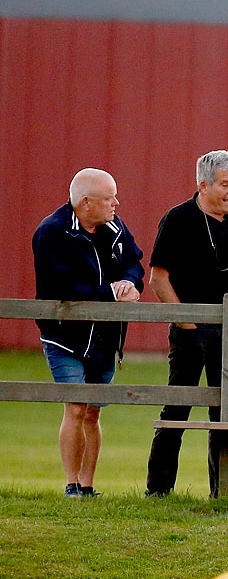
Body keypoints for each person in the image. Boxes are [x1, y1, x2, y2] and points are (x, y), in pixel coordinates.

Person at [145, 150, 228, 498]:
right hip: (190, 331)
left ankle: (221, 493)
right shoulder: (178, 219)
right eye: (226, 184)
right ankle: (158, 491)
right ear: (204, 185)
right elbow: (158, 278)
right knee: (177, 408)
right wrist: (187, 323)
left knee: (224, 411)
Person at [31, 167, 144, 496]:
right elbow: (60, 286)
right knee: (76, 406)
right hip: (64, 336)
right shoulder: (52, 232)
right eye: (109, 198)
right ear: (85, 202)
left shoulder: (113, 226)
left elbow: (134, 260)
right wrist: (112, 293)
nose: (116, 204)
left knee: (93, 411)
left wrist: (130, 283)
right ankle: (71, 484)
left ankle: (88, 486)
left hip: (106, 338)